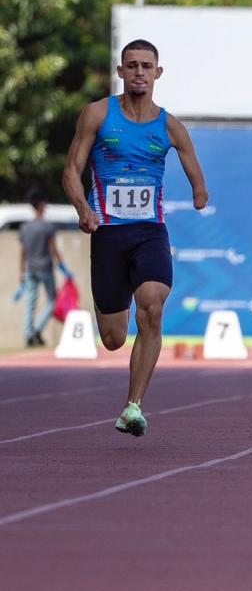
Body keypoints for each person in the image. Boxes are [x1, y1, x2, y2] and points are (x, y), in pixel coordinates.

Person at [61, 39, 209, 437]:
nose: (139, 72)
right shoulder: (97, 114)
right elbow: (72, 170)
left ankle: (133, 407)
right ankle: (115, 312)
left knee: (152, 305)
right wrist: (83, 209)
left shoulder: (170, 125)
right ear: (121, 72)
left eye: (147, 66)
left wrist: (200, 192)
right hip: (108, 233)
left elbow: (196, 173)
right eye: (132, 65)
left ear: (158, 73)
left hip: (149, 232)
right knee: (111, 338)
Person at [18, 188, 63, 347]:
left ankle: (29, 334)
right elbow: (53, 248)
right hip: (45, 267)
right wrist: (62, 266)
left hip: (30, 268)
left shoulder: (25, 227)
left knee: (30, 302)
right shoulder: (47, 226)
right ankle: (37, 329)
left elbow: (22, 252)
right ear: (41, 205)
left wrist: (21, 272)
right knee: (53, 300)